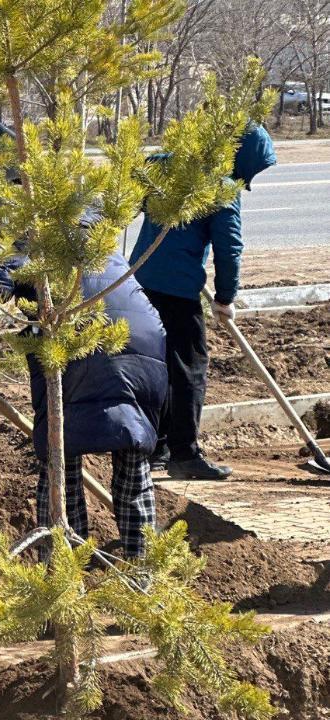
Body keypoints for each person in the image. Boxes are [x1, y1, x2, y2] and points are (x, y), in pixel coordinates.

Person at [0, 238, 167, 558]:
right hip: (145, 348)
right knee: (132, 457)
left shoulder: (35, 242)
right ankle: (146, 572)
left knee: (60, 466)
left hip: (74, 353)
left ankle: (62, 571)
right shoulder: (104, 245)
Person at [130, 124, 276, 480]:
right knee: (189, 370)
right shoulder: (222, 187)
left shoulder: (169, 165)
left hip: (138, 281)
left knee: (160, 366)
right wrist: (226, 297)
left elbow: (138, 178)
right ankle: (185, 455)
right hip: (177, 291)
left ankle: (159, 447)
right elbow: (229, 249)